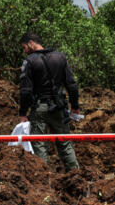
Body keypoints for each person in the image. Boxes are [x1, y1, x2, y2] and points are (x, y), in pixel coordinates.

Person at [18, 33, 81, 171]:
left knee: (39, 144)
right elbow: (71, 84)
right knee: (65, 142)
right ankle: (76, 174)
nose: (24, 51)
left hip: (40, 108)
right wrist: (75, 105)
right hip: (59, 107)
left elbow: (26, 90)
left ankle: (43, 177)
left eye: (24, 47)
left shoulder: (29, 61)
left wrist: (23, 113)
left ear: (30, 43)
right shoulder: (60, 57)